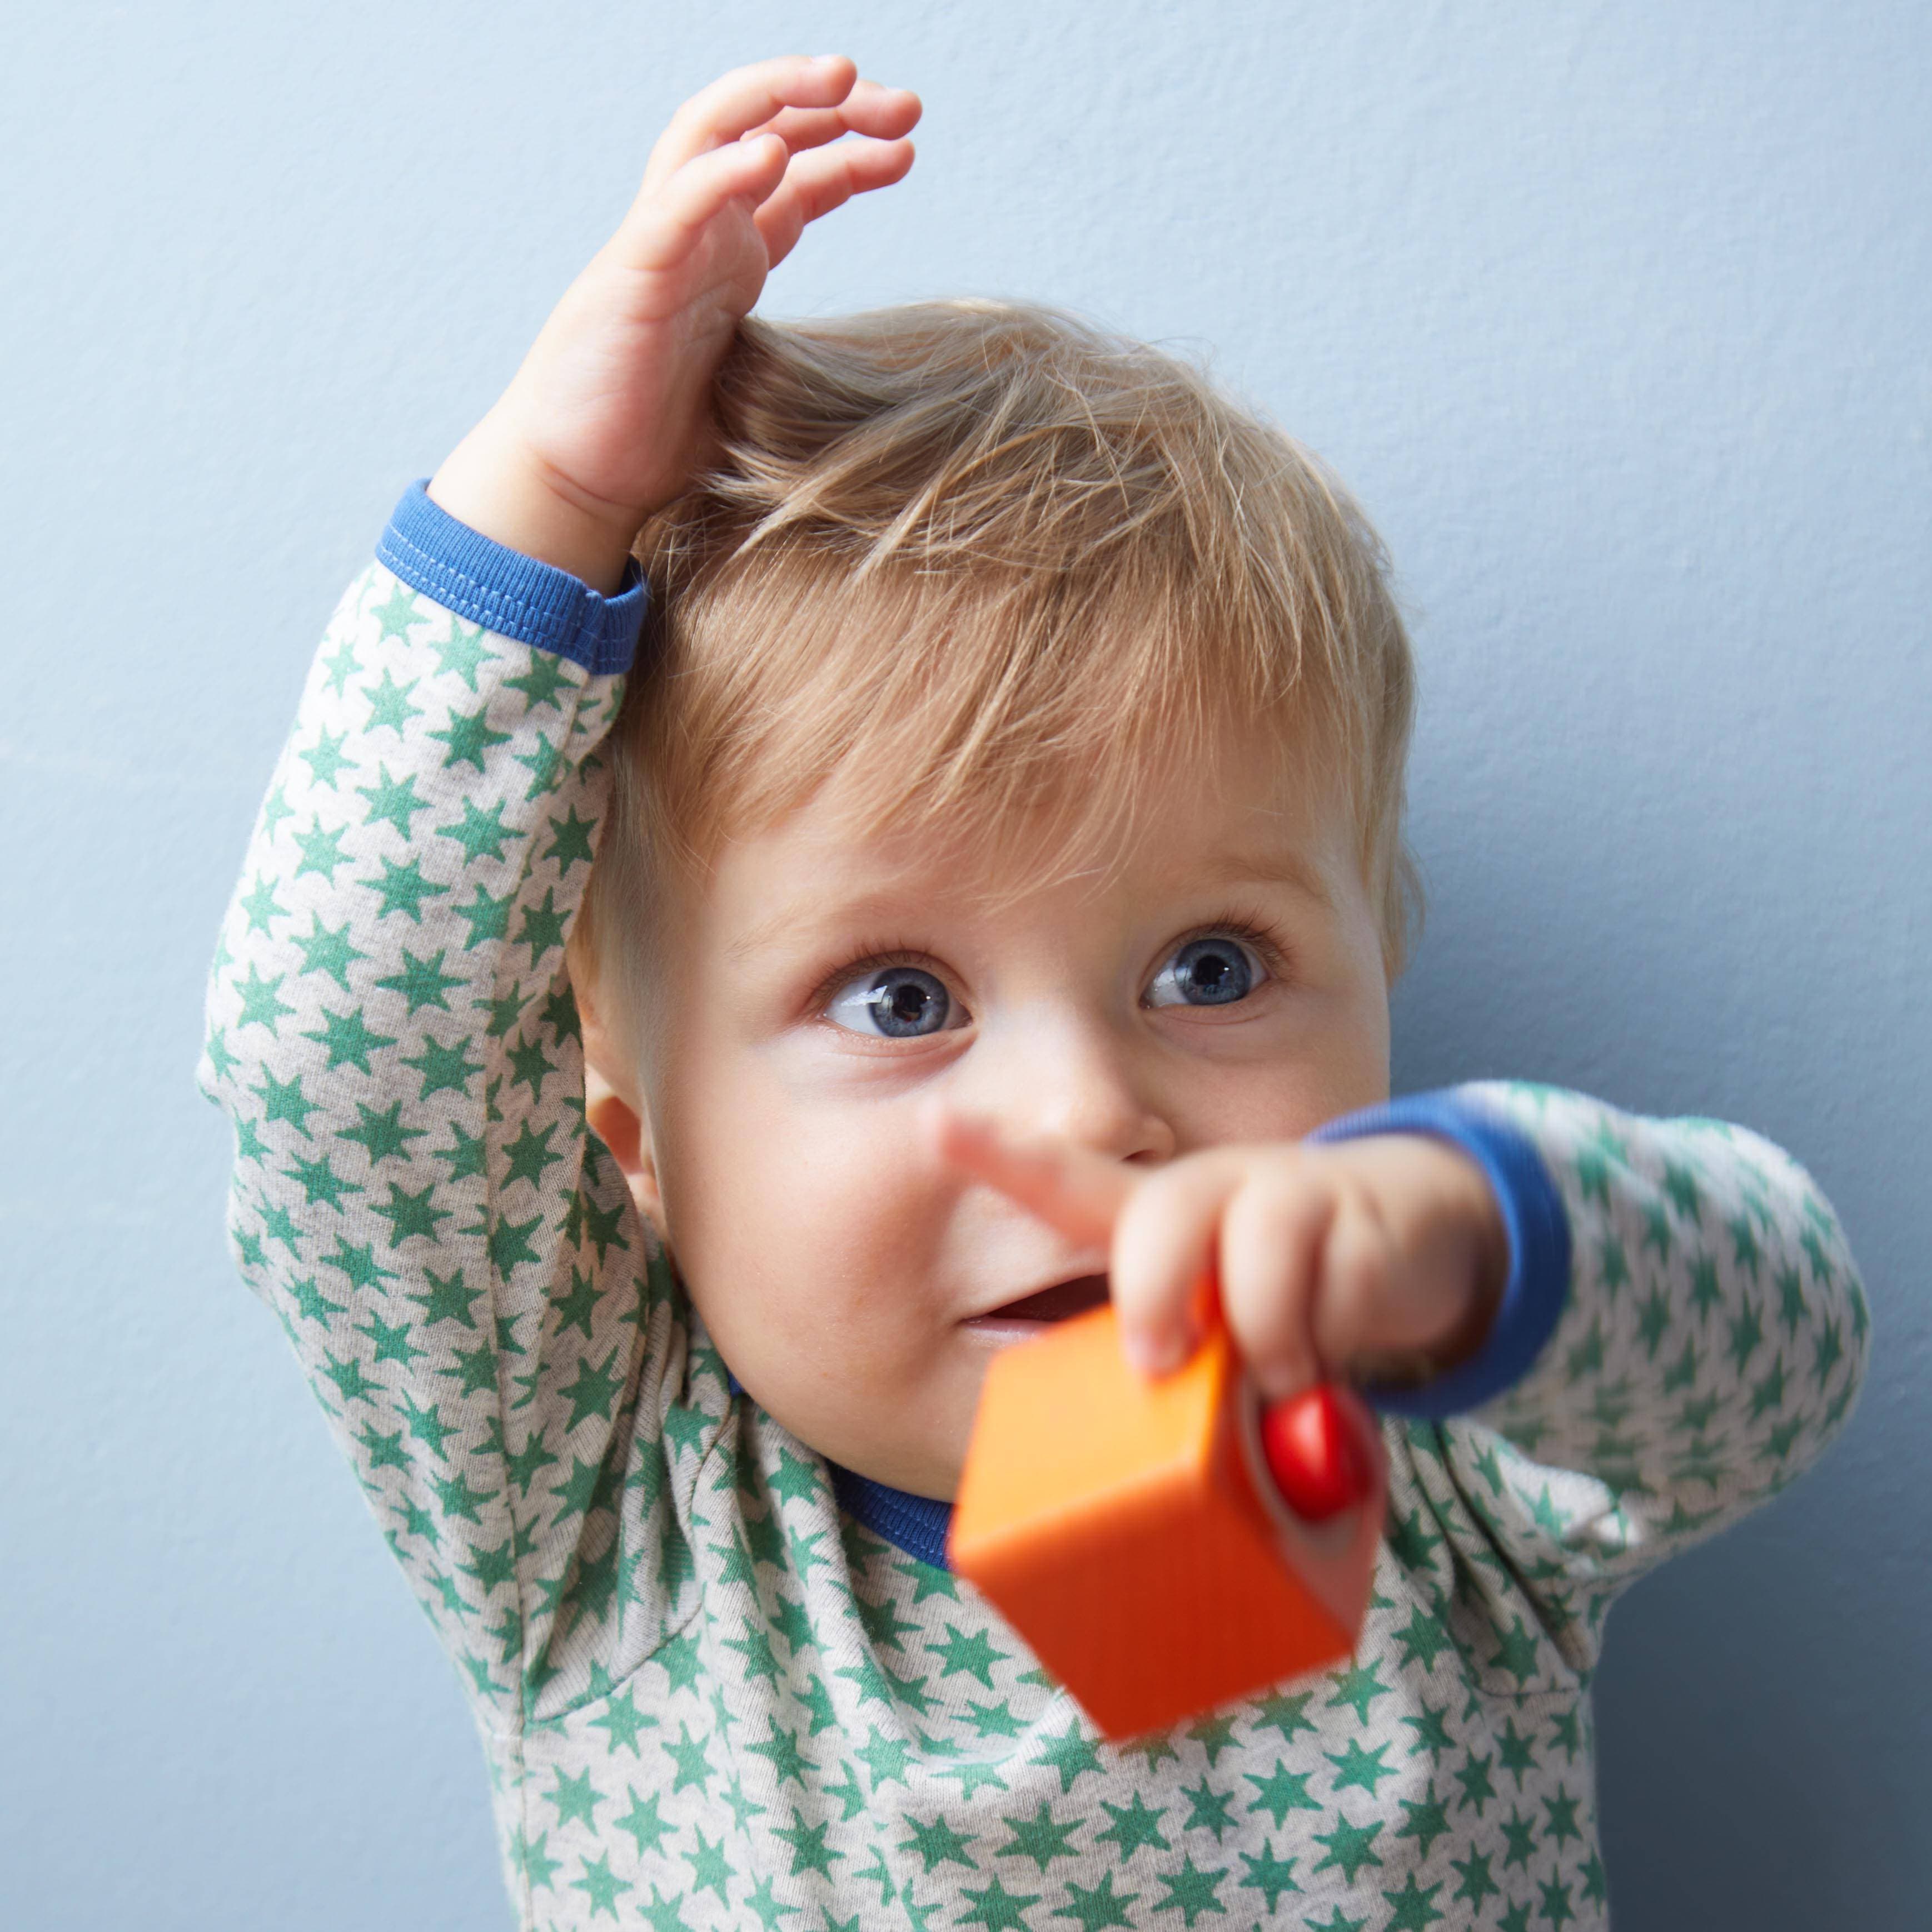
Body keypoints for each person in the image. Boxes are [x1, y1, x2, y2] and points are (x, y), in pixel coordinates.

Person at [200, 54, 1869, 1931]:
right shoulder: (599, 1508)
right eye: (897, 998)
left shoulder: (1440, 1459)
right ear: (637, 1148)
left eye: (1210, 968)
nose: (1090, 1111)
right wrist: (553, 490)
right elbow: (335, 1070)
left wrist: (1468, 1239)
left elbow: (1780, 1342)